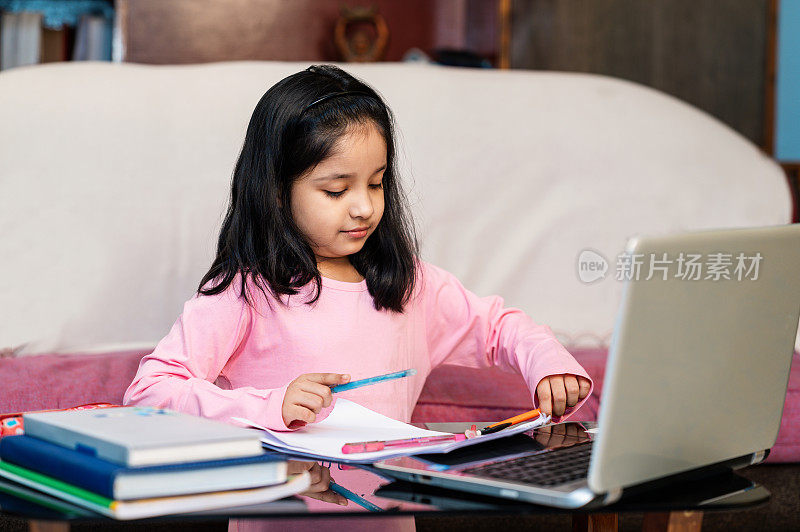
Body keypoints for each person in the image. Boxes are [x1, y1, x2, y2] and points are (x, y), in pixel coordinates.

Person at [123, 63, 591, 448]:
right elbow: (150, 391)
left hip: (390, 512)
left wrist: (548, 363)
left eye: (376, 182)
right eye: (336, 189)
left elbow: (501, 327)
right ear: (277, 192)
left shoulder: (410, 288)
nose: (365, 206)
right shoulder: (246, 292)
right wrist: (269, 406)